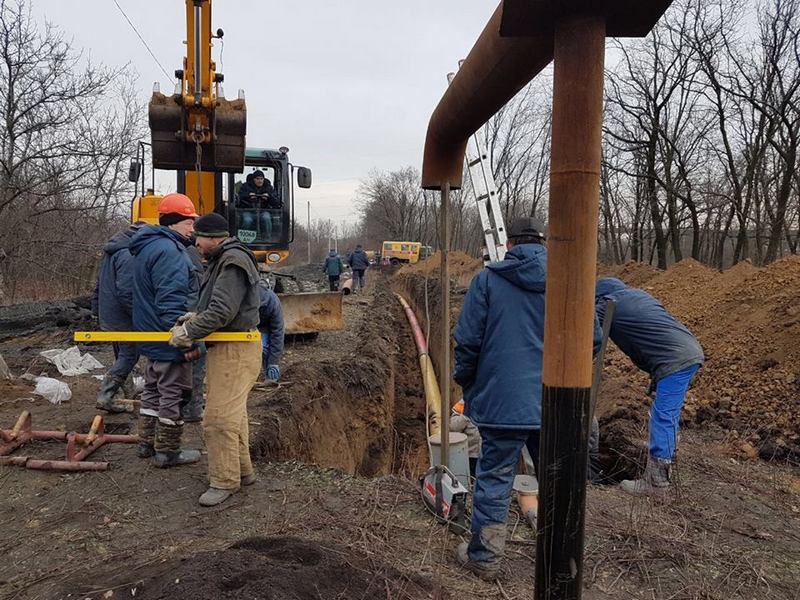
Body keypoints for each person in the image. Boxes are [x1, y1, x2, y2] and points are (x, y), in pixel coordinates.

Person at [452, 217, 549, 581]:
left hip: (503, 403)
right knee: (557, 477)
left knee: (494, 477)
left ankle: (485, 557)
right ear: (543, 244)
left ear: (509, 246)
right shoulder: (570, 278)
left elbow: (468, 341)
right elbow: (593, 339)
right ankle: (560, 554)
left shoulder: (489, 280)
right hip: (556, 403)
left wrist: (470, 384)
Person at [168, 212, 262, 507]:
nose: (195, 243)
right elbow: (222, 307)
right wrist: (197, 316)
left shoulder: (231, 262)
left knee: (218, 418)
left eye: (198, 237)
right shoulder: (225, 258)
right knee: (234, 415)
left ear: (212, 238)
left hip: (236, 349)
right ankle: (243, 472)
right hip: (231, 345)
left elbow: (223, 311)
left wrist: (189, 331)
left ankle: (224, 481)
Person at [595, 277, 704, 495]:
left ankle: (657, 481)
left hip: (674, 359)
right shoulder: (639, 296)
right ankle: (663, 454)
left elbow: (589, 338)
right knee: (667, 412)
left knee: (664, 414)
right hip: (689, 351)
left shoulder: (606, 304)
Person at [129, 193, 202, 468]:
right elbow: (171, 300)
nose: (192, 228)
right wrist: (184, 338)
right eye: (188, 222)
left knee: (152, 388)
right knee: (174, 391)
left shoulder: (147, 247)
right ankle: (168, 451)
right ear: (174, 222)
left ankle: (146, 444)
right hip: (168, 335)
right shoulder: (169, 252)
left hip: (148, 332)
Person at [92, 222, 144, 413]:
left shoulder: (112, 250)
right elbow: (127, 291)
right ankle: (106, 396)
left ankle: (128, 391)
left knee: (122, 354)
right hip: (123, 315)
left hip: (110, 313)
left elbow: (98, 284)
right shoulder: (128, 253)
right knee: (130, 354)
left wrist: (96, 310)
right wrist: (140, 315)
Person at [236, 170, 279, 239]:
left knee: (266, 218)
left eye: (261, 179)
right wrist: (248, 195)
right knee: (247, 220)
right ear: (253, 179)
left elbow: (276, 202)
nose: (260, 181)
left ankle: (267, 239)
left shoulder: (269, 188)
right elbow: (238, 197)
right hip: (248, 211)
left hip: (263, 211)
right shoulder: (245, 187)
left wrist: (269, 197)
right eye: (257, 179)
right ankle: (244, 240)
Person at [258, 284, 285, 382]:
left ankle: (269, 375)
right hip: (246, 323)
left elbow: (277, 333)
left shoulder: (273, 303)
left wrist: (273, 362)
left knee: (264, 347)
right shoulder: (244, 297)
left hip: (264, 324)